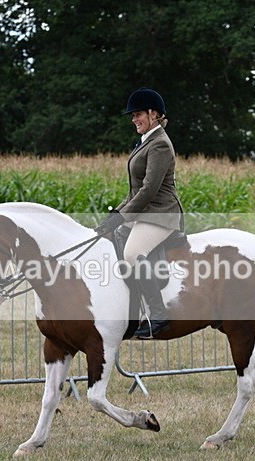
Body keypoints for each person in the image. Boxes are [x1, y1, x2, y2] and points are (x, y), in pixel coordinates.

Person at [95, 88, 184, 339]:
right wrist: (116, 216)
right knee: (111, 239)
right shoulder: (145, 141)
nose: (134, 119)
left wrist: (123, 217)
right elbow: (134, 191)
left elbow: (148, 190)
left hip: (161, 213)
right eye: (133, 115)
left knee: (133, 253)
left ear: (154, 114)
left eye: (138, 115)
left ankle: (158, 316)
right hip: (145, 212)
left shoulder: (160, 145)